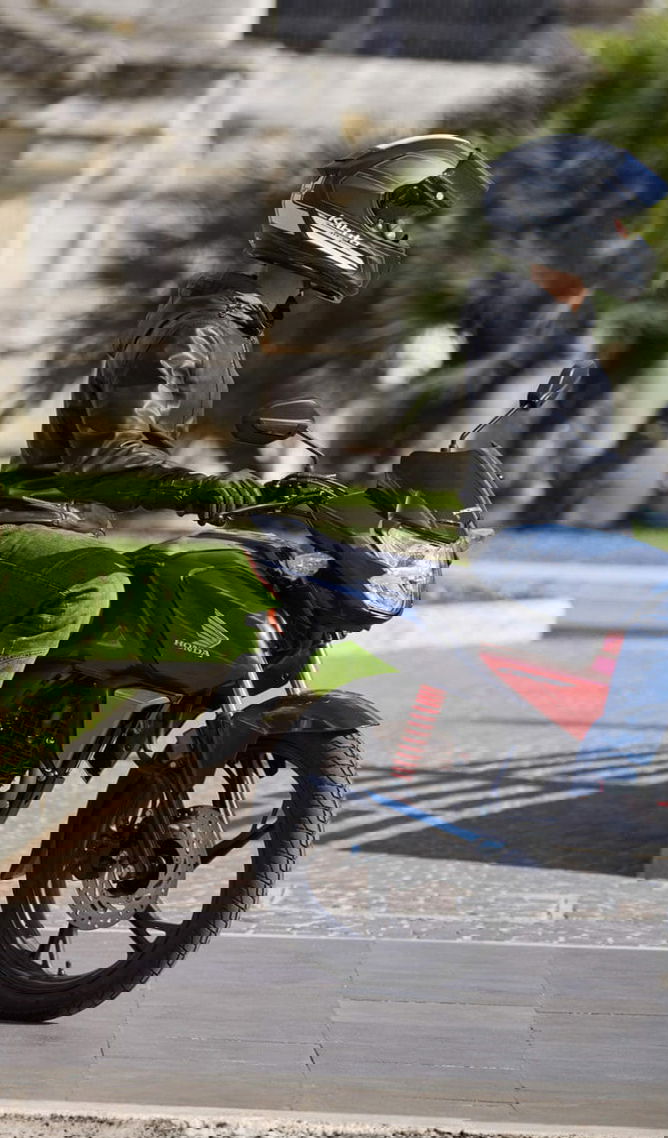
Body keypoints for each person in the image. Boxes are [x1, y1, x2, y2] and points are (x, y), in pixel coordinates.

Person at [0, 136, 493, 781]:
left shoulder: (237, 318)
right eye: (394, 223)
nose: (396, 246)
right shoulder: (216, 322)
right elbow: (102, 458)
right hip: (29, 519)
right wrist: (224, 494)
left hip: (54, 517)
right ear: (347, 223)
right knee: (102, 579)